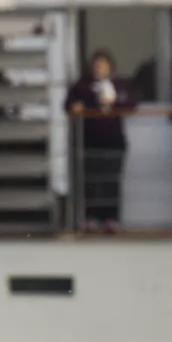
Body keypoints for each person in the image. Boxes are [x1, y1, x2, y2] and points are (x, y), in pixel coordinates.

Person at [66, 49, 135, 231]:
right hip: (90, 141)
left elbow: (132, 104)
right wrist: (77, 105)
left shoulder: (119, 85)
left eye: (102, 65)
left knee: (111, 180)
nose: (99, 68)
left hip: (113, 140)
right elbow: (68, 103)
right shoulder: (83, 85)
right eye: (96, 65)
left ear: (109, 67)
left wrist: (114, 103)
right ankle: (91, 217)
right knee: (91, 181)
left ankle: (111, 218)